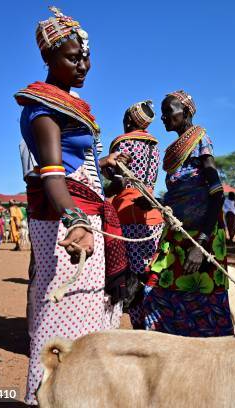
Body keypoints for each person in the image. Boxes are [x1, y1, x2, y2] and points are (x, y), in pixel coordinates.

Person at [14, 7, 129, 404]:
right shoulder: (44, 109)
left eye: (85, 56)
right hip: (65, 220)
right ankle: (43, 397)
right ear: (48, 58)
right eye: (72, 57)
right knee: (60, 311)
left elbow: (79, 165)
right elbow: (52, 175)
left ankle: (79, 395)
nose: (84, 64)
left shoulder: (68, 103)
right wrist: (76, 220)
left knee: (89, 309)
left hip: (83, 215)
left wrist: (105, 168)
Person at [143, 90, 233, 337]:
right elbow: (183, 195)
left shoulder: (201, 141)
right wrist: (155, 202)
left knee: (204, 309)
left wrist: (200, 246)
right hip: (176, 238)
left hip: (201, 239)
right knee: (154, 296)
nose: (162, 117)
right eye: (162, 113)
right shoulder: (175, 153)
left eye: (167, 111)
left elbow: (217, 196)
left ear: (187, 112)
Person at [107, 100, 165, 329]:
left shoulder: (123, 143)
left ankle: (139, 326)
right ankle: (155, 324)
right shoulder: (155, 147)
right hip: (153, 212)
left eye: (124, 120)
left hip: (128, 212)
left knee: (131, 274)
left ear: (130, 120)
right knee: (151, 272)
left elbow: (118, 180)